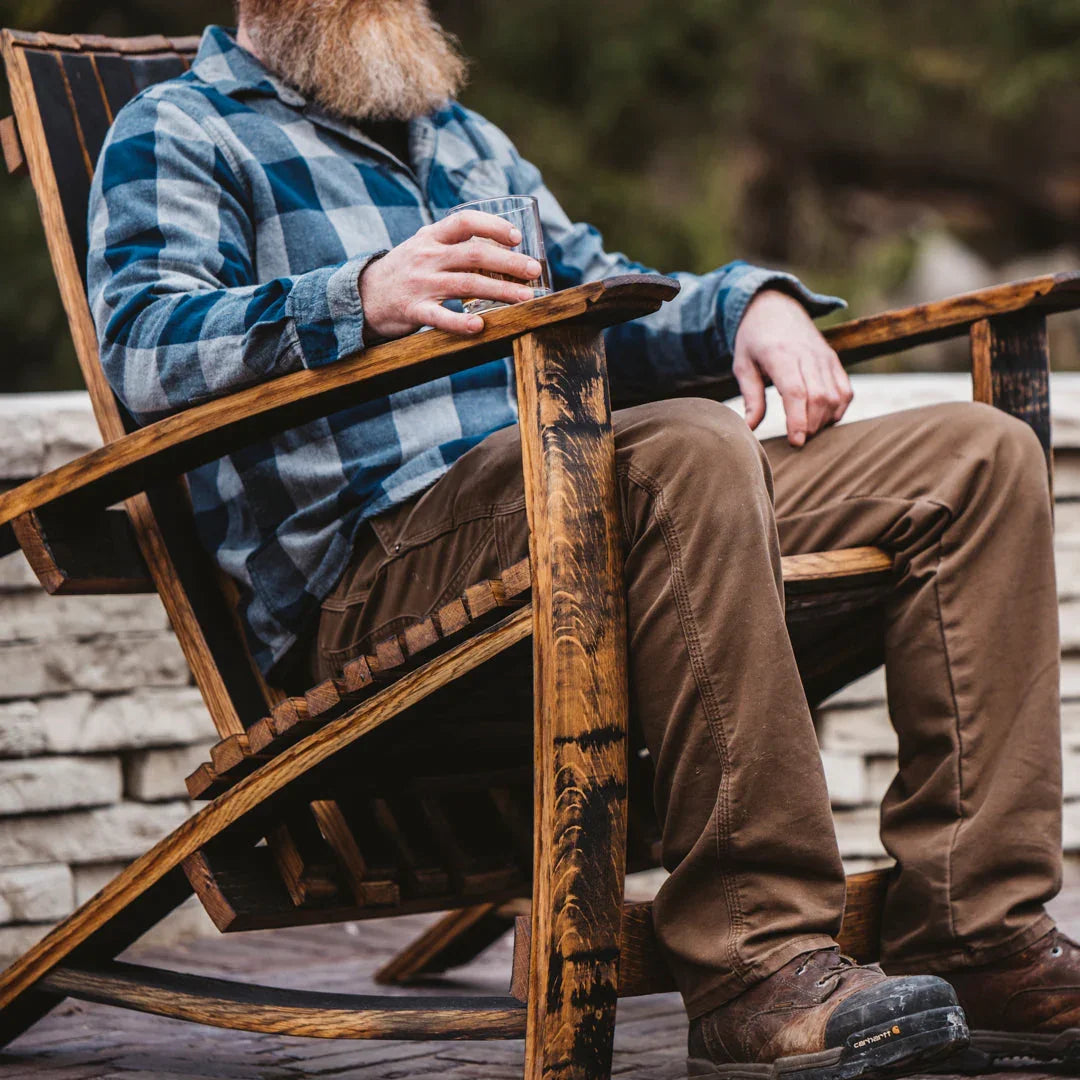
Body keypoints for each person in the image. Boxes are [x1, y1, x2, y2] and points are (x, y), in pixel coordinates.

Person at [86, 3, 1072, 1077]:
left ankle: (982, 935)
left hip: (586, 504)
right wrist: (357, 296)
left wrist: (750, 306)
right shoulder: (181, 130)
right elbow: (142, 347)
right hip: (378, 575)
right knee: (682, 451)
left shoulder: (461, 139)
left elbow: (606, 298)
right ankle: (757, 962)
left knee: (977, 458)